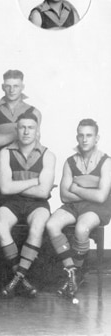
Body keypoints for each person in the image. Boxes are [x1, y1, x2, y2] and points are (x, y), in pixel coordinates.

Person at [46, 119, 111, 298]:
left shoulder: (106, 162)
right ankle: (72, 271)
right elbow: (64, 196)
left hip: (98, 208)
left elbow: (101, 197)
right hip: (73, 205)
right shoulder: (70, 162)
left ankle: (79, 273)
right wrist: (88, 190)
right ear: (77, 137)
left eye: (89, 135)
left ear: (97, 138)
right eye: (81, 135)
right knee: (51, 225)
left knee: (82, 228)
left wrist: (76, 188)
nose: (84, 139)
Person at [0, 112, 55, 297]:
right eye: (22, 127)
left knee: (38, 225)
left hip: (38, 204)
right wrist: (34, 181)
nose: (26, 131)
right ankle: (22, 277)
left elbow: (43, 192)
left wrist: (15, 185)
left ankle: (18, 277)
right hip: (11, 202)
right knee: (0, 223)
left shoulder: (48, 155)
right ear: (16, 129)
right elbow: (5, 188)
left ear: (37, 131)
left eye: (30, 127)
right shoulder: (5, 153)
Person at [0, 70, 42, 161]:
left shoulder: (34, 112)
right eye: (8, 86)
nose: (12, 90)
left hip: (24, 163)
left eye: (16, 86)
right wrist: (20, 134)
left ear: (22, 87)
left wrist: (2, 138)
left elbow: (35, 139)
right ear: (3, 87)